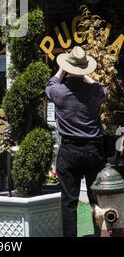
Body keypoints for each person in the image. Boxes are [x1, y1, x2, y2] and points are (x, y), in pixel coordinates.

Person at [45, 46, 108, 238]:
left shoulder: (59, 92)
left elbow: (50, 84)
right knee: (96, 198)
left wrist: (64, 68)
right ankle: (99, 234)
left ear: (67, 67)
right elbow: (104, 90)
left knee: (69, 201)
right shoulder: (94, 92)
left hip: (70, 149)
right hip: (93, 149)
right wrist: (86, 75)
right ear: (84, 69)